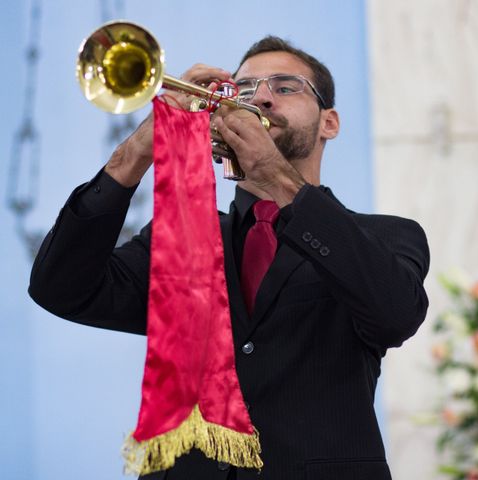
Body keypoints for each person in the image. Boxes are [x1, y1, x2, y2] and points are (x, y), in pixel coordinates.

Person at [29, 35, 430, 480]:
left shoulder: (386, 236)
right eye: (242, 89)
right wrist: (137, 151)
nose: (259, 97)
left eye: (285, 86)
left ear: (328, 123)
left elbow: (395, 313)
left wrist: (277, 179)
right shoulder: (179, 242)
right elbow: (60, 289)